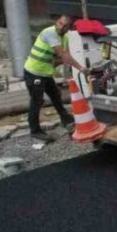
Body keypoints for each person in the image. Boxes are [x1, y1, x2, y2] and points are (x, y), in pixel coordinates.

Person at [23, 15, 86, 143]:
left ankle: (66, 120)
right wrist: (80, 68)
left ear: (69, 28)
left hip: (45, 73)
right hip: (34, 72)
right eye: (59, 23)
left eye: (64, 25)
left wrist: (60, 61)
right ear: (56, 22)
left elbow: (62, 57)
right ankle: (35, 131)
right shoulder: (50, 33)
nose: (61, 26)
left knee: (56, 95)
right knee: (37, 101)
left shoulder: (64, 38)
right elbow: (63, 54)